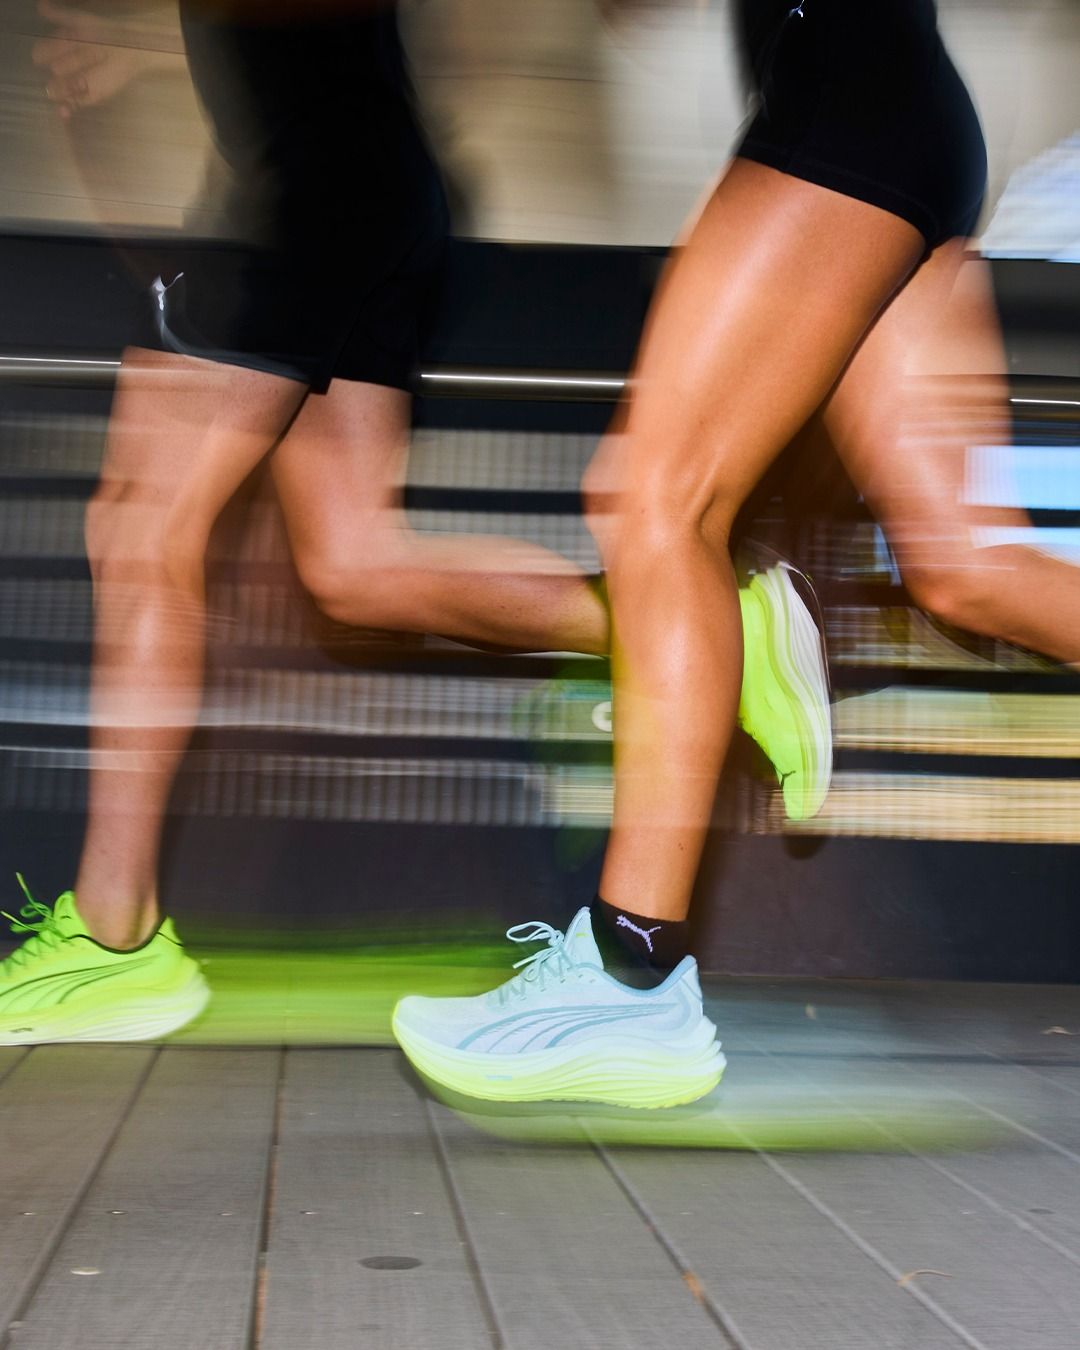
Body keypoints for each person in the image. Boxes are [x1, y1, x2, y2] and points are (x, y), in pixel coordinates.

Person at [0, 0, 830, 1044]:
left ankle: (113, 938)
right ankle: (714, 635)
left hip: (303, 193)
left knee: (138, 528)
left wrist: (126, 35)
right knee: (354, 564)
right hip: (365, 186)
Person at [392, 0, 1080, 1109]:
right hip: (900, 118)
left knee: (655, 506)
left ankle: (629, 973)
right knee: (967, 566)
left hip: (847, 116)